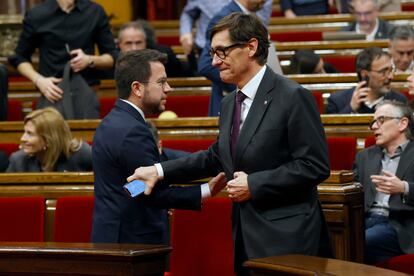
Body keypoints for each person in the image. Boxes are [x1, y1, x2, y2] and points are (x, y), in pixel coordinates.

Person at [128, 13, 332, 275]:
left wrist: (255, 184)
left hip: (288, 238)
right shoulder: (228, 102)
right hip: (245, 236)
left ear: (251, 47)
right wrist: (158, 171)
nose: (214, 61)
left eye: (221, 51)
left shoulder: (293, 96)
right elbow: (217, 156)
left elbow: (315, 165)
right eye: (213, 52)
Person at [91, 49, 226, 244]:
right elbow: (147, 191)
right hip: (131, 243)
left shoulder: (110, 122)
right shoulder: (133, 131)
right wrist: (205, 190)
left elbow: (129, 187)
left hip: (113, 235)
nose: (168, 88)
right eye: (161, 82)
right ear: (137, 88)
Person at [8, 0, 117, 115]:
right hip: (51, 94)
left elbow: (113, 56)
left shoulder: (95, 11)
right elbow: (19, 57)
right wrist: (39, 80)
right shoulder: (37, 14)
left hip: (87, 93)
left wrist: (89, 60)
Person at [354, 100, 414, 264]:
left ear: (402, 123)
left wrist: (404, 187)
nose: (374, 126)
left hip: (399, 224)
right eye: (373, 122)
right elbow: (353, 189)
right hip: (363, 220)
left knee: (358, 243)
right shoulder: (364, 156)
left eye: (381, 120)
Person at [198, 0, 281, 116]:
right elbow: (205, 65)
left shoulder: (253, 15)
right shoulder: (224, 17)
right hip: (232, 104)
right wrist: (247, 87)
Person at [7, 107, 92, 172]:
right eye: (24, 132)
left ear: (49, 139)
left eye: (30, 134)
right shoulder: (19, 161)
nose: (23, 138)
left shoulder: (83, 155)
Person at [327, 47, 407, 114]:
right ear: (364, 74)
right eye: (383, 72)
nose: (390, 76)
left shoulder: (399, 101)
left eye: (391, 70)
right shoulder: (337, 101)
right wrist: (351, 108)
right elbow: (331, 131)